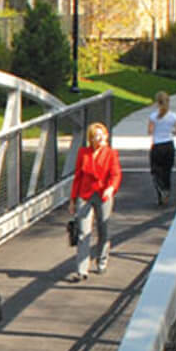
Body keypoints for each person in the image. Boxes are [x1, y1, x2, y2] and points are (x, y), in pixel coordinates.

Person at [66, 121, 122, 283]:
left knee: (103, 229)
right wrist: (73, 199)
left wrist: (111, 188)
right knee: (83, 232)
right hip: (85, 195)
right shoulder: (83, 153)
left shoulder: (111, 154)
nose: (101, 138)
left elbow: (116, 174)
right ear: (91, 138)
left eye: (103, 134)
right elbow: (78, 176)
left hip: (103, 195)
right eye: (97, 135)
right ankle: (82, 270)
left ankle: (102, 260)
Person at [147, 91, 176, 206]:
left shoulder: (153, 116)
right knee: (167, 171)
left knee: (156, 171)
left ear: (157, 102)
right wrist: (170, 131)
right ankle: (166, 191)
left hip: (157, 145)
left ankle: (160, 191)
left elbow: (150, 131)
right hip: (169, 145)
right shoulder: (173, 116)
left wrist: (157, 130)